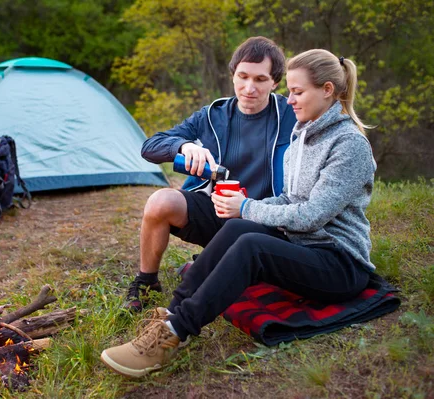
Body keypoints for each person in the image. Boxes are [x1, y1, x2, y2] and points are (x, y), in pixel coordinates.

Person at [101, 49, 376, 378]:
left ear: (327, 90)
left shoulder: (349, 144)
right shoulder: (304, 135)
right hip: (303, 245)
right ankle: (169, 314)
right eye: (290, 92)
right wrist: (238, 210)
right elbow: (290, 198)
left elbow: (312, 215)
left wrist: (246, 207)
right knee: (236, 231)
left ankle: (175, 334)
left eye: (297, 92)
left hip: (340, 263)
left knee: (251, 246)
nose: (290, 100)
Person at [124, 36, 297, 311]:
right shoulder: (212, 115)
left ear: (275, 82)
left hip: (266, 219)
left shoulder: (291, 115)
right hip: (217, 211)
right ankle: (146, 282)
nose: (249, 88)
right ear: (232, 75)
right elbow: (150, 147)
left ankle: (207, 266)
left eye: (260, 80)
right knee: (160, 202)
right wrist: (183, 144)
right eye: (242, 76)